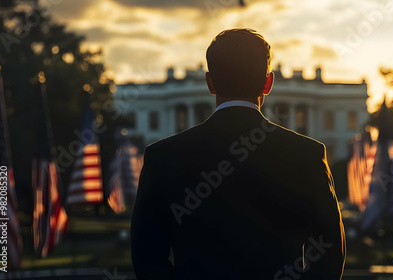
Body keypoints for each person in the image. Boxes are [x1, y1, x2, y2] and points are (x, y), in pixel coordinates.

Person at [131, 28, 345, 280]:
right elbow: (329, 250)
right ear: (268, 83)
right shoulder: (307, 154)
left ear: (210, 83)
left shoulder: (162, 156)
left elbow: (146, 256)